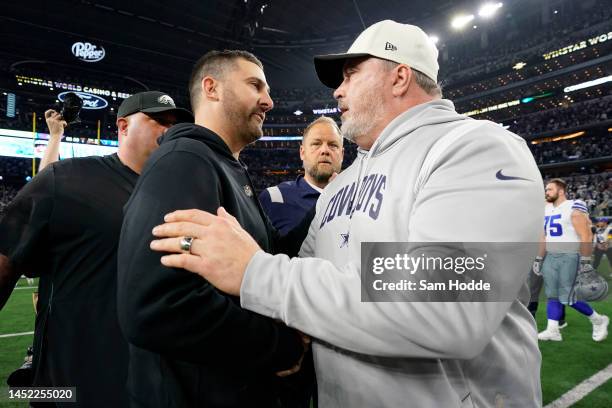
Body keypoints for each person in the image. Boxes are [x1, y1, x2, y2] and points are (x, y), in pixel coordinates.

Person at [149, 20, 545, 407]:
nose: (338, 91)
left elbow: (442, 305)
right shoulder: (340, 183)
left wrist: (255, 271)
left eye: (351, 74)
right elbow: (305, 290)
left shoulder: (476, 147)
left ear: (400, 77)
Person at [117, 50, 310, 408]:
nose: (268, 101)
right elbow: (157, 306)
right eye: (255, 85)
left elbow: (270, 255)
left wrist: (327, 205)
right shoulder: (185, 161)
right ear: (212, 88)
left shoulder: (225, 168)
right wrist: (279, 345)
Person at [0, 91, 192, 407]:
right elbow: (6, 259)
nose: (168, 130)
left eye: (174, 124)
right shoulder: (67, 179)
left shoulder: (180, 196)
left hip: (152, 388)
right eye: (158, 120)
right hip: (69, 390)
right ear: (123, 126)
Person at [536, 179, 609, 342]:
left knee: (566, 296)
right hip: (552, 255)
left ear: (560, 191)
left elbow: (586, 234)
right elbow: (543, 236)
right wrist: (539, 258)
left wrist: (585, 260)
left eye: (549, 189)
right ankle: (553, 330)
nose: (546, 192)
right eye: (545, 190)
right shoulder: (546, 209)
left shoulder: (574, 205)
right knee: (552, 295)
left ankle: (598, 319)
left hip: (570, 255)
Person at [259, 116, 343, 234]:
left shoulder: (361, 200)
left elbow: (373, 250)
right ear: (302, 153)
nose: (325, 150)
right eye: (316, 144)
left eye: (333, 145)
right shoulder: (274, 198)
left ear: (342, 154)